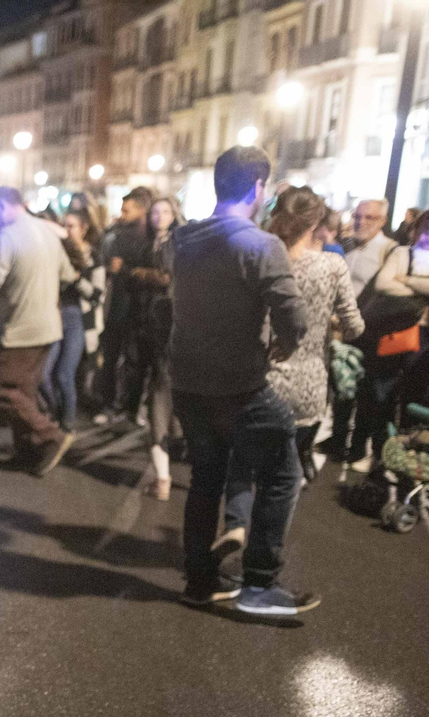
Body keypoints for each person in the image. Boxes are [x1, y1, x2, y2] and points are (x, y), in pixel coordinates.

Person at [168, 146, 311, 615]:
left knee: (206, 478)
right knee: (283, 474)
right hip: (239, 384)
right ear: (258, 188)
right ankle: (259, 585)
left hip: (188, 380)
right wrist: (286, 342)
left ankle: (200, 580)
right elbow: (293, 314)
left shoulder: (183, 239)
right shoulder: (260, 244)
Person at [219, 187, 364, 547]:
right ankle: (263, 549)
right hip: (309, 387)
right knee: (282, 475)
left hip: (260, 379)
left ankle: (236, 524)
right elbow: (355, 327)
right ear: (316, 223)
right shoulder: (333, 266)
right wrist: (325, 325)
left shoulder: (259, 260)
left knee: (242, 462)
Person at [0, 186, 80, 476]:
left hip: (21, 328)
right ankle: (29, 452)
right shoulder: (46, 231)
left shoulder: (6, 236)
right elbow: (68, 274)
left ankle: (49, 436)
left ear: (4, 207)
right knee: (25, 391)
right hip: (48, 325)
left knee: (1, 387)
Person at [350, 205, 429, 471]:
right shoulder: (403, 253)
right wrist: (421, 284)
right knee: (382, 393)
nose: (423, 237)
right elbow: (383, 284)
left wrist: (405, 279)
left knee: (413, 398)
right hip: (396, 330)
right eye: (421, 230)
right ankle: (379, 454)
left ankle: (406, 456)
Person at [126, 196, 185, 499]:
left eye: (164, 212)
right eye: (154, 212)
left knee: (162, 393)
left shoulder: (176, 242)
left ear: (174, 214)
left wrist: (140, 273)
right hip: (148, 323)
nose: (158, 217)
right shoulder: (149, 242)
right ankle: (169, 441)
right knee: (159, 387)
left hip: (167, 325)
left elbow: (169, 279)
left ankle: (164, 469)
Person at [93, 185, 155, 421]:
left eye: (127, 210)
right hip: (121, 303)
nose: (122, 214)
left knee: (133, 359)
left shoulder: (149, 239)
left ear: (141, 211)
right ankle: (112, 404)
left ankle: (126, 406)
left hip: (138, 306)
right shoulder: (118, 234)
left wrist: (126, 270)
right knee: (112, 356)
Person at [49, 208, 103, 433]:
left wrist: (76, 277)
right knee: (45, 375)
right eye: (65, 225)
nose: (66, 230)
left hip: (77, 319)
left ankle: (67, 423)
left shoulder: (94, 257)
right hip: (54, 315)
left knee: (64, 374)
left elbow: (97, 294)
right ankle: (53, 415)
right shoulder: (57, 251)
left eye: (71, 226)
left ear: (84, 229)